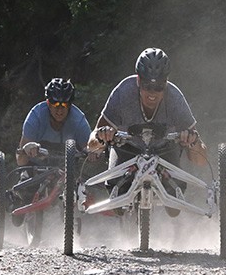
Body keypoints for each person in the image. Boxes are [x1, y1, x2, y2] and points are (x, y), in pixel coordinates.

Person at [87, 48, 208, 215]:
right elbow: (92, 143)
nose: (152, 92)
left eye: (159, 86)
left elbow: (200, 159)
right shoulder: (123, 92)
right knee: (117, 204)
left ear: (166, 83)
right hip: (126, 149)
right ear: (138, 80)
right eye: (147, 85)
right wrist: (102, 136)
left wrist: (191, 141)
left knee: (174, 208)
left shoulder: (174, 97)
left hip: (164, 150)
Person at [16, 77, 91, 166]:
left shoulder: (79, 121)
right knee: (25, 176)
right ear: (48, 103)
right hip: (36, 168)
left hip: (68, 170)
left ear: (70, 105)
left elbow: (91, 154)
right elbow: (20, 161)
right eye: (55, 105)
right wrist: (26, 150)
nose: (59, 111)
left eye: (64, 105)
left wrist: (91, 153)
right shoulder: (35, 117)